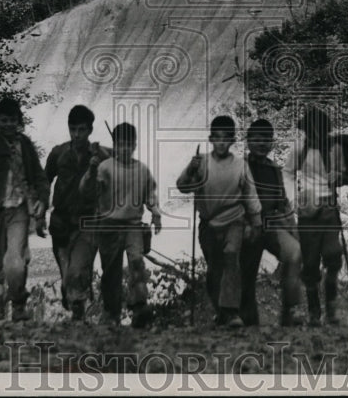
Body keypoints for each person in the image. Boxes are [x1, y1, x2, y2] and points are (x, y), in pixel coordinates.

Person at [177, 115, 262, 328]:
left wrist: (256, 223)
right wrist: (190, 171)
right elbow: (182, 186)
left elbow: (250, 195)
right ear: (211, 139)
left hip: (234, 220)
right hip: (208, 224)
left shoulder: (240, 165)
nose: (221, 142)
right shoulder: (201, 162)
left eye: (226, 138)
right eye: (217, 138)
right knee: (215, 268)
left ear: (232, 140)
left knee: (231, 258)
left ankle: (232, 312)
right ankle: (220, 312)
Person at [0, 97, 49, 322]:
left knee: (15, 259)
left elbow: (39, 176)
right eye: (4, 120)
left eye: (12, 120)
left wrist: (42, 199)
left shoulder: (25, 146)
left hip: (19, 211)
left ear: (19, 121)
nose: (8, 124)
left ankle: (18, 305)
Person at [80, 122, 161, 328]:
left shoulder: (142, 169)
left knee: (136, 262)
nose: (124, 149)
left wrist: (155, 212)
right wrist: (91, 169)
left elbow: (150, 194)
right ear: (114, 145)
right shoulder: (104, 167)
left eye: (128, 144)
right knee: (110, 270)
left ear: (134, 145)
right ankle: (111, 313)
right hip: (108, 225)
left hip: (133, 225)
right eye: (120, 144)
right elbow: (87, 191)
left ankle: (139, 307)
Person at [283, 105, 347, 326]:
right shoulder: (299, 149)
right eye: (311, 130)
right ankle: (313, 312)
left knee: (333, 256)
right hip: (308, 211)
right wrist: (296, 198)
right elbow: (288, 174)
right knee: (310, 263)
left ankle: (331, 308)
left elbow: (341, 174)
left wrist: (336, 176)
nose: (315, 134)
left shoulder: (334, 148)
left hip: (329, 208)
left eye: (318, 129)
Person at [45, 104, 109, 321]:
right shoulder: (58, 153)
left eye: (81, 130)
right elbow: (44, 181)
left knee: (77, 271)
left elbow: (123, 168)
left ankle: (78, 319)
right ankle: (73, 296)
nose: (77, 134)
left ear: (90, 130)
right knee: (67, 280)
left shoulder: (101, 155)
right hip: (61, 223)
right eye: (73, 129)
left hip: (88, 221)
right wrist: (39, 210)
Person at [239, 118, 304, 327]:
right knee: (246, 273)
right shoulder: (239, 166)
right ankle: (247, 321)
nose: (261, 143)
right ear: (248, 141)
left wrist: (293, 231)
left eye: (266, 139)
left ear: (272, 143)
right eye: (256, 138)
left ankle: (290, 313)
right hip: (245, 226)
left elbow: (282, 203)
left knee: (295, 253)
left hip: (271, 226)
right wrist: (246, 225)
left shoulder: (273, 169)